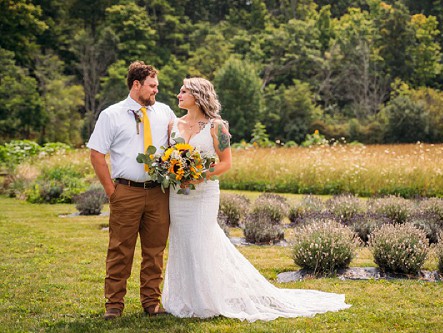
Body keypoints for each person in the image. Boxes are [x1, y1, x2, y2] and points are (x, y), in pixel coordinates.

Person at [161, 77, 351, 322]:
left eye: (183, 91)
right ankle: (185, 297)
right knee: (182, 240)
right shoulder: (173, 124)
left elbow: (226, 163)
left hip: (204, 194)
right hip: (178, 195)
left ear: (198, 96)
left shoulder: (216, 126)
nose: (178, 95)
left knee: (200, 239)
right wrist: (173, 170)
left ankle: (205, 298)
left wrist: (199, 174)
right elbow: (168, 156)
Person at [87, 61, 176, 320]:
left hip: (159, 193)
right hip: (125, 191)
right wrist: (111, 191)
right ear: (136, 85)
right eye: (152, 86)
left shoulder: (165, 112)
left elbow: (178, 143)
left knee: (155, 250)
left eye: (156, 86)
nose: (156, 91)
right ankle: (114, 305)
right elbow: (96, 154)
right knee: (120, 249)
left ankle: (151, 303)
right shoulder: (111, 115)